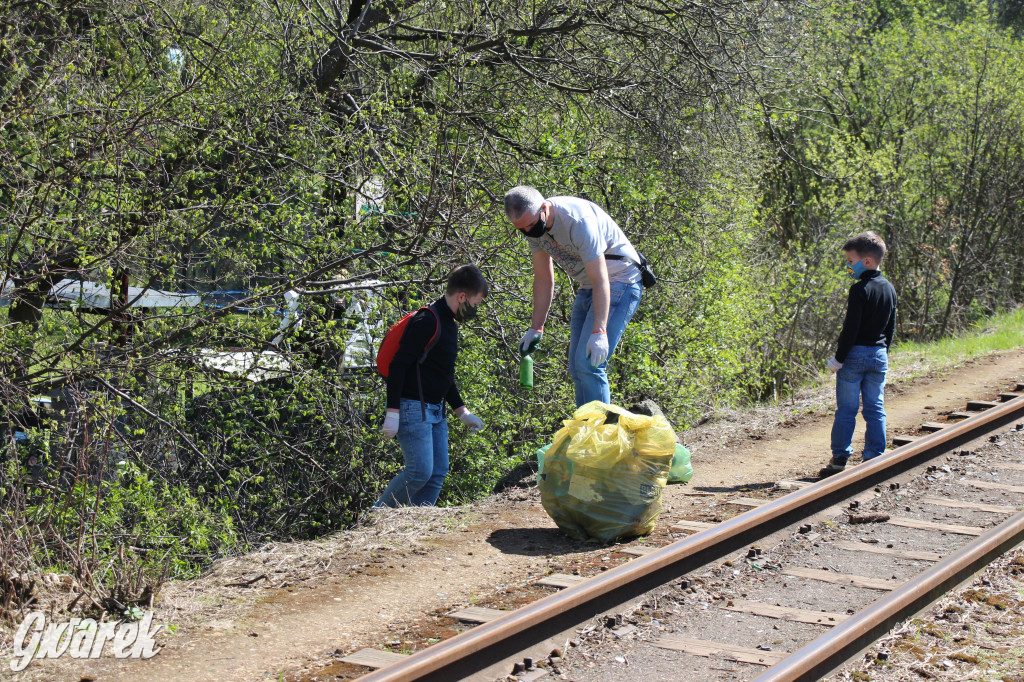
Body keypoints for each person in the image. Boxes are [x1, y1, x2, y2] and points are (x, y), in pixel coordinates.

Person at [503, 186, 643, 407]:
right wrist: (536, 328)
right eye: (522, 229)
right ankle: (586, 431)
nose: (529, 231)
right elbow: (543, 279)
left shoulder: (577, 221)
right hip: (588, 286)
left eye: (531, 224)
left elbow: (601, 279)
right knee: (577, 369)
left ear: (544, 207)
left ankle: (601, 436)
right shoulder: (533, 229)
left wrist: (599, 331)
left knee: (589, 364)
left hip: (619, 281)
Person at [374, 265, 488, 507]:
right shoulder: (428, 320)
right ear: (462, 297)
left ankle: (416, 527)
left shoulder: (450, 324)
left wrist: (462, 411)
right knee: (419, 473)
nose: (474, 310)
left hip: (436, 411)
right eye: (475, 304)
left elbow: (443, 374)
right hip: (413, 408)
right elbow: (398, 365)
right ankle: (374, 518)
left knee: (436, 474)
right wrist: (392, 412)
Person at [821, 231, 898, 477]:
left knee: (847, 409)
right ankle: (874, 457)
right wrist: (882, 353)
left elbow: (850, 329)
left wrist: (839, 358)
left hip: (854, 356)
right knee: (875, 408)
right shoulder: (890, 289)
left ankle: (839, 459)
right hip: (878, 354)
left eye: (850, 260)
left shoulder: (859, 289)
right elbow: (891, 327)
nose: (848, 265)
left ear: (866, 261)